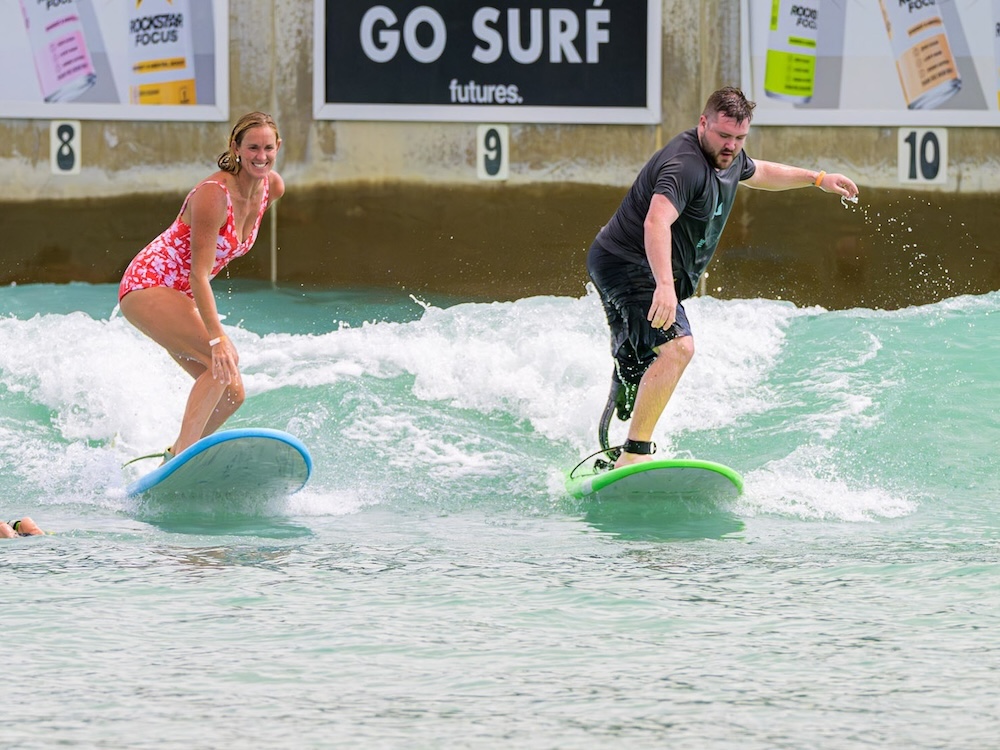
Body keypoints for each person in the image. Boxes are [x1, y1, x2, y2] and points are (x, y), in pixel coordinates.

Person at [587, 87, 859, 469]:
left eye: (739, 138)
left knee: (646, 356)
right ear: (703, 123)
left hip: (624, 260)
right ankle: (633, 453)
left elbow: (759, 171)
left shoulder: (727, 156)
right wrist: (665, 286)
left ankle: (627, 366)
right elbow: (656, 221)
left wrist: (817, 178)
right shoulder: (685, 165)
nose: (731, 146)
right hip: (626, 262)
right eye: (723, 136)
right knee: (678, 348)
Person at [118, 112, 284, 459]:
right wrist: (216, 337)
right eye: (252, 147)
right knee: (222, 359)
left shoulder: (272, 188)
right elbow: (199, 274)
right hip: (148, 284)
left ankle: (175, 453)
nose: (261, 156)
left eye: (268, 148)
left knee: (232, 393)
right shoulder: (213, 195)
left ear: (277, 147)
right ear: (235, 148)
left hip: (180, 295)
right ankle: (184, 456)